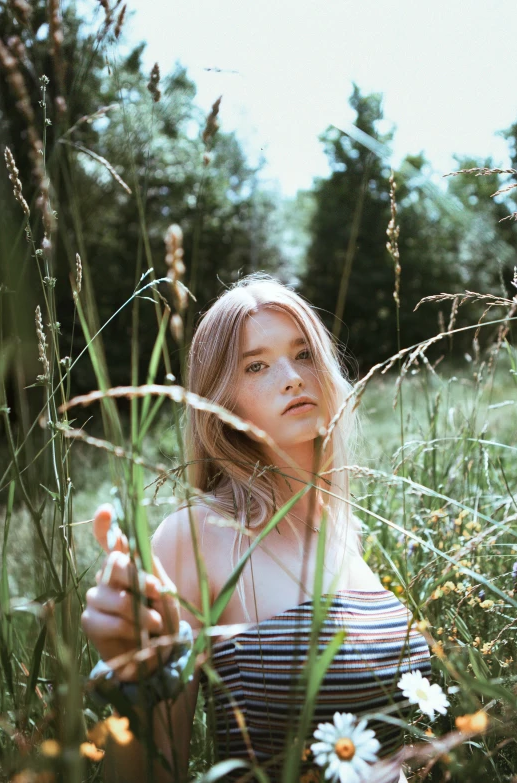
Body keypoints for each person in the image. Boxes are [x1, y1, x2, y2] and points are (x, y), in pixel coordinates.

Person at [81, 273, 432, 782]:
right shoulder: (194, 538)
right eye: (257, 365)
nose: (291, 377)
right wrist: (132, 679)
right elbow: (158, 770)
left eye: (304, 353)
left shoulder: (343, 528)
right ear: (221, 403)